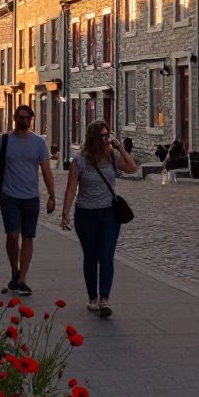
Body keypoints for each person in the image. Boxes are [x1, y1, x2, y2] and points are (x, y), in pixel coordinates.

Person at [60, 120, 136, 316]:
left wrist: (119, 146)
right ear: (94, 138)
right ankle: (92, 298)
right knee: (91, 257)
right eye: (103, 136)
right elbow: (71, 189)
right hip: (86, 214)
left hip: (110, 214)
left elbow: (132, 167)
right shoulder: (80, 161)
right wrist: (65, 213)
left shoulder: (112, 158)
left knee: (106, 256)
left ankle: (104, 300)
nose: (107, 139)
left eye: (107, 135)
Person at [0, 105, 56, 296]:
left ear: (31, 120)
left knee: (28, 237)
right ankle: (14, 271)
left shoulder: (39, 143)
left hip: (31, 197)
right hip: (9, 196)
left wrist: (52, 194)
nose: (24, 121)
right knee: (12, 236)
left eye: (28, 118)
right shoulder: (3, 141)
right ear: (15, 118)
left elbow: (46, 170)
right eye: (21, 117)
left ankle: (22, 278)